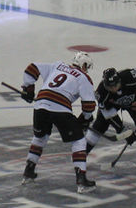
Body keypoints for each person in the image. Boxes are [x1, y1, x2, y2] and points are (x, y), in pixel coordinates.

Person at [19, 51, 97, 193]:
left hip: (40, 105)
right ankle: (81, 180)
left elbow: (32, 68)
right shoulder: (84, 77)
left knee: (40, 137)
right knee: (79, 140)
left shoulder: (57, 65)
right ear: (84, 65)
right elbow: (89, 105)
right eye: (87, 66)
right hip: (60, 108)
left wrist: (28, 88)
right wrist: (85, 119)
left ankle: (28, 172)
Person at [85, 66, 136, 154]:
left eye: (115, 85)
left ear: (120, 81)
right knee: (99, 125)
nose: (113, 89)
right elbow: (107, 113)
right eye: (110, 87)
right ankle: (82, 154)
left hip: (135, 102)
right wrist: (122, 130)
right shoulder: (101, 92)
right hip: (112, 106)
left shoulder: (130, 77)